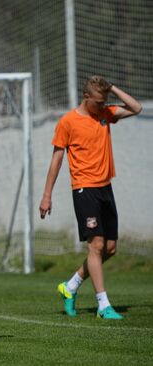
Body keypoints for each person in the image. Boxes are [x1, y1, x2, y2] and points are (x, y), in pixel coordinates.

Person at [39, 76, 142, 320]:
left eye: (104, 101)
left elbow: (136, 108)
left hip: (106, 188)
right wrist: (47, 196)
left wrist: (112, 87)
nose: (101, 105)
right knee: (96, 245)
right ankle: (103, 305)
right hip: (84, 189)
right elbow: (56, 159)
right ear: (85, 97)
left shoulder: (106, 113)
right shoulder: (68, 122)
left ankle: (70, 286)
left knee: (110, 248)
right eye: (97, 101)